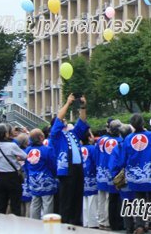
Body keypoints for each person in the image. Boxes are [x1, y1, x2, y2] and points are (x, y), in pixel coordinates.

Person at [50, 93, 90, 225]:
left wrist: (83, 106)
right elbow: (59, 118)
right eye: (62, 121)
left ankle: (76, 223)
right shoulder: (56, 135)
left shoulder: (72, 133)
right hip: (66, 169)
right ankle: (65, 223)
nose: (64, 121)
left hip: (78, 168)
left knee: (77, 197)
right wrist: (68, 103)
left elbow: (82, 122)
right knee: (66, 199)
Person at [122, 113, 151, 234]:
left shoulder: (128, 139)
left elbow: (124, 158)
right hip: (150, 174)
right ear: (142, 123)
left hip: (134, 175)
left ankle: (140, 226)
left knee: (138, 201)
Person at [0, 123, 27, 215]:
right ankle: (16, 225)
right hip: (13, 177)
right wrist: (16, 158)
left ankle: (1, 225)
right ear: (6, 134)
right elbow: (25, 156)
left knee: (1, 204)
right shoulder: (12, 146)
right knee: (15, 204)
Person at [96, 119, 124, 230]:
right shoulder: (120, 141)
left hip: (101, 170)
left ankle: (102, 221)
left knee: (101, 197)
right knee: (111, 198)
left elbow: (96, 155)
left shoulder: (101, 139)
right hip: (113, 172)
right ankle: (109, 221)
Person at [23, 128, 57, 219]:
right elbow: (53, 165)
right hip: (46, 179)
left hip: (33, 180)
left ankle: (34, 224)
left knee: (35, 202)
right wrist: (54, 175)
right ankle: (47, 222)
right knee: (47, 203)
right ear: (41, 137)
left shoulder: (27, 150)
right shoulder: (47, 150)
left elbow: (25, 165)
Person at [81, 133, 99, 228]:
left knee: (85, 202)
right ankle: (93, 223)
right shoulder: (92, 148)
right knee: (93, 201)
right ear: (88, 138)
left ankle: (86, 222)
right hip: (91, 176)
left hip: (82, 177)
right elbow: (96, 162)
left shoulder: (79, 148)